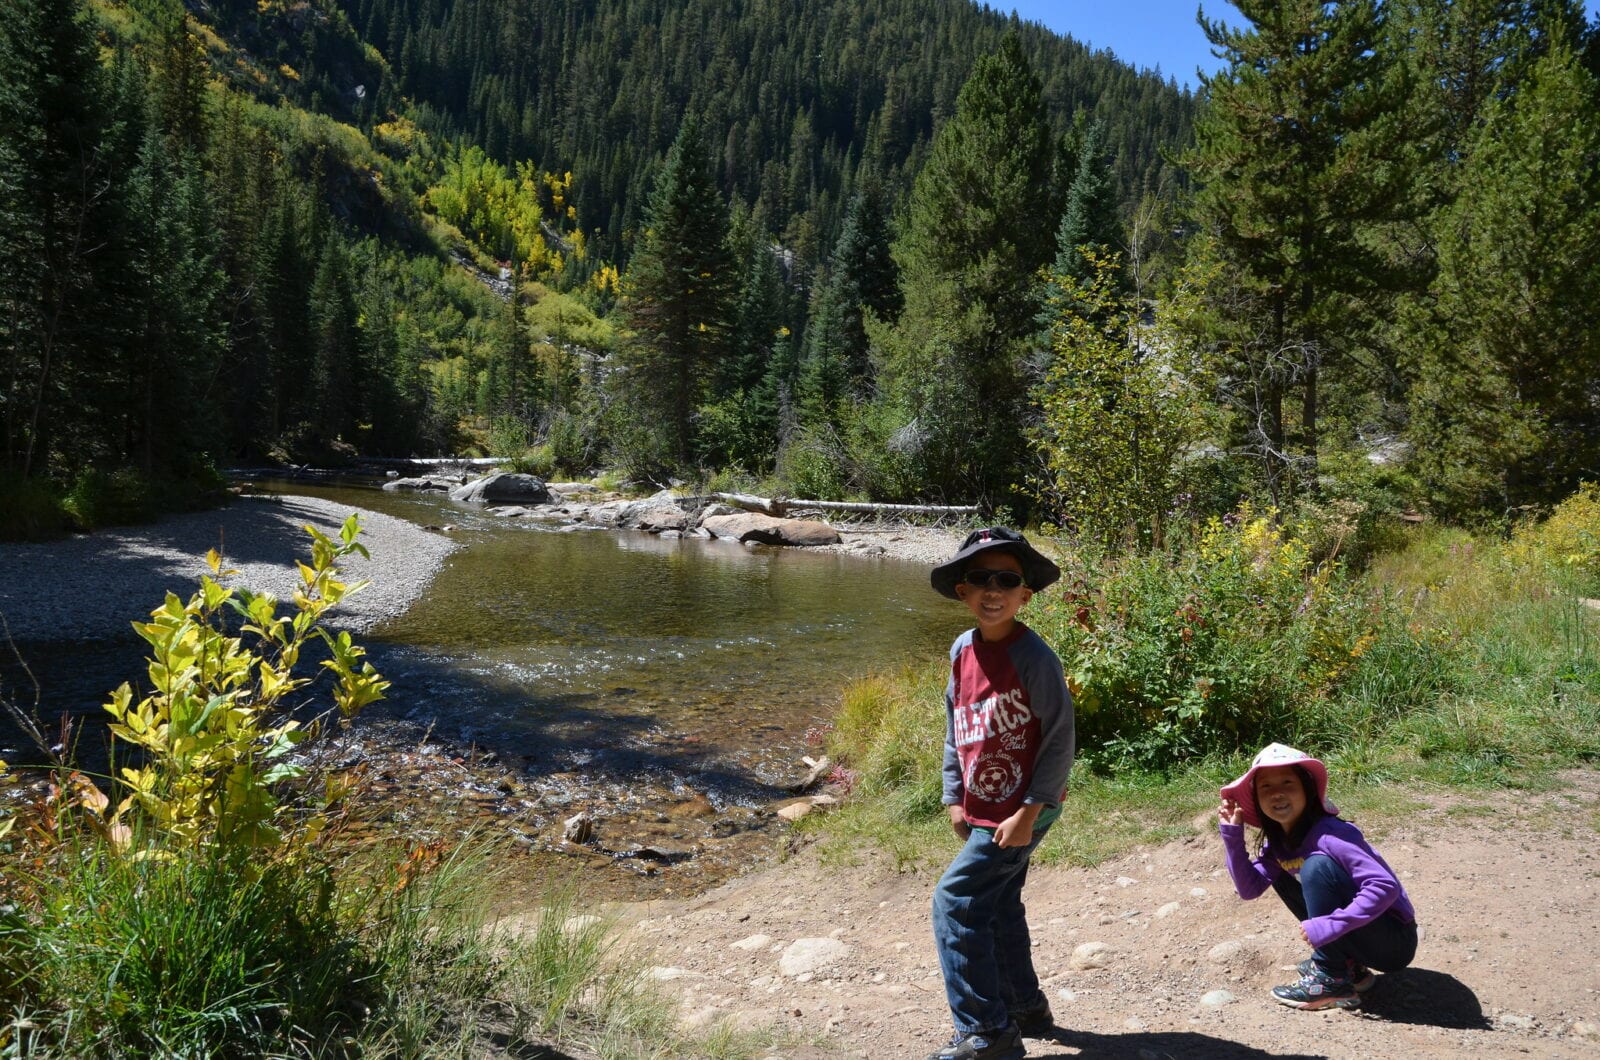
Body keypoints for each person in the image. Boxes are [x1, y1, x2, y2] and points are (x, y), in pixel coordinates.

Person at [925, 527, 1075, 1060]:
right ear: (962, 591)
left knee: (955, 901)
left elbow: (1060, 739)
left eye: (1006, 580)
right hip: (985, 807)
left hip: (1029, 805)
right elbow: (955, 725)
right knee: (997, 904)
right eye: (981, 579)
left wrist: (1030, 811)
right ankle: (1024, 1007)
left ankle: (987, 1031)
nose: (993, 590)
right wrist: (953, 796)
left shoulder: (1034, 656)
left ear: (1024, 595)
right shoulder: (961, 649)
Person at [1218, 743, 1419, 1010]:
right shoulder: (1280, 844)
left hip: (1394, 942)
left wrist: (1332, 925)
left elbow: (1384, 886)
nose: (1277, 794)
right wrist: (1232, 836)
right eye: (1266, 787)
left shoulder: (1331, 834)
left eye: (1288, 783)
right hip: (1366, 937)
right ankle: (1348, 967)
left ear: (1308, 791)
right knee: (1283, 873)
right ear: (1256, 799)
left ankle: (1331, 976)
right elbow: (1249, 889)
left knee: (1316, 868)